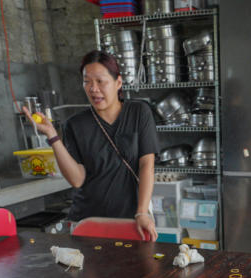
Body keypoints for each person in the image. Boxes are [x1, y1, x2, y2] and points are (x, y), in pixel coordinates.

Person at [22, 50, 159, 240]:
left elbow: (147, 165)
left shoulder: (139, 112)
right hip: (89, 221)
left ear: (118, 83)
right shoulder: (75, 125)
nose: (93, 88)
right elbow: (77, 179)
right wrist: (53, 136)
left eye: (100, 81)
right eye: (87, 82)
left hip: (132, 219)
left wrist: (142, 212)